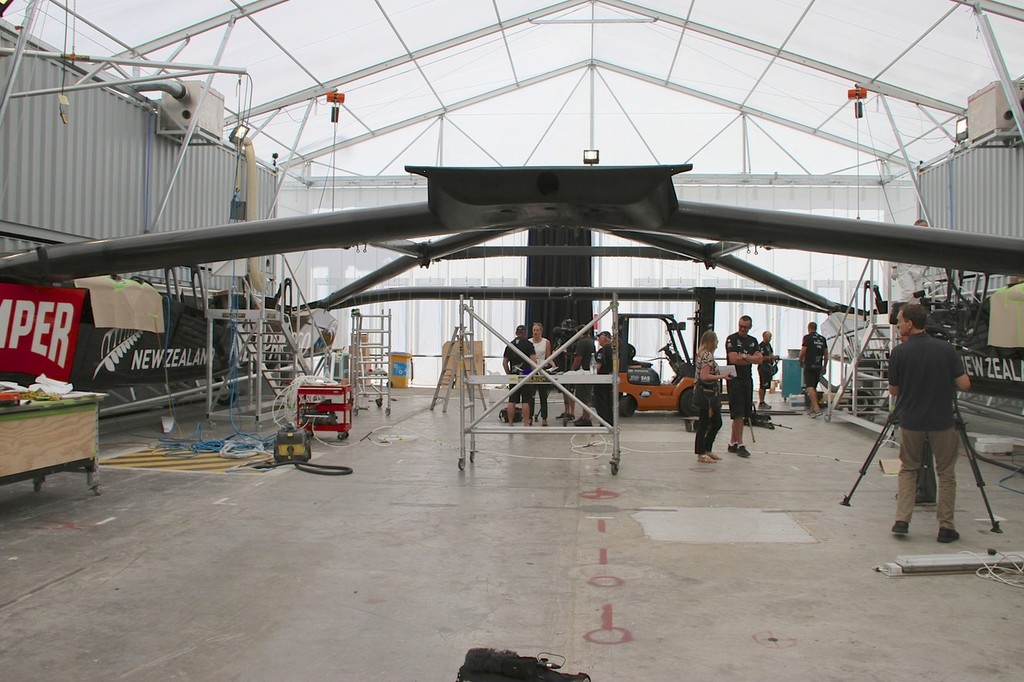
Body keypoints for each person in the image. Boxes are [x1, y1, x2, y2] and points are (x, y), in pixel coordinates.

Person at [888, 303, 971, 543]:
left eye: (901, 321)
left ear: (910, 324)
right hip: (942, 420)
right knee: (946, 473)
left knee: (908, 469)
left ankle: (902, 520)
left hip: (911, 420)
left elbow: (894, 391)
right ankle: (946, 526)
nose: (898, 325)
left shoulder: (899, 353)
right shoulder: (946, 350)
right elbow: (965, 384)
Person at [724, 315, 762, 458]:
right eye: (740, 326)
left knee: (744, 412)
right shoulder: (732, 339)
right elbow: (733, 359)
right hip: (734, 378)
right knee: (738, 412)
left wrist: (745, 357)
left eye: (745, 327)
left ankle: (732, 442)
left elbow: (760, 359)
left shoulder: (753, 341)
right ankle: (740, 443)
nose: (742, 329)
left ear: (750, 327)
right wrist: (750, 358)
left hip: (747, 379)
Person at [693, 330, 732, 464]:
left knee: (715, 422)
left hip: (707, 393)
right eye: (716, 340)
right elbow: (705, 376)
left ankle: (707, 449)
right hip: (707, 394)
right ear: (711, 341)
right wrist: (722, 377)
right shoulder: (707, 355)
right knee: (705, 423)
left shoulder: (701, 354)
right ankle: (701, 452)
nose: (718, 343)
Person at [889, 219, 931, 322]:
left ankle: (912, 313)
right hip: (906, 267)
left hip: (918, 269)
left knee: (917, 293)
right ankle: (896, 310)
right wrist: (894, 268)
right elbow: (895, 251)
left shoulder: (928, 241)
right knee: (909, 290)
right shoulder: (907, 238)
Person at [502, 324, 536, 426]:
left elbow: (504, 363)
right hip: (526, 373)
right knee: (526, 400)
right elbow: (533, 361)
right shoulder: (529, 344)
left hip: (513, 374)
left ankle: (511, 422)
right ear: (525, 333)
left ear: (516, 333)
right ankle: (526, 423)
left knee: (512, 400)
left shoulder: (510, 345)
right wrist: (532, 372)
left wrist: (509, 373)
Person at [799, 321, 828, 417]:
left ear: (809, 328)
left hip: (809, 366)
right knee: (814, 387)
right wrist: (825, 366)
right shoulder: (822, 339)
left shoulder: (807, 338)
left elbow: (803, 352)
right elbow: (826, 354)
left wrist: (800, 360)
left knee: (810, 387)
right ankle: (812, 410)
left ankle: (816, 408)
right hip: (818, 366)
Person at [568, 329, 595, 425]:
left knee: (583, 396)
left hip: (583, 373)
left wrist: (572, 370)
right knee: (586, 395)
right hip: (590, 372)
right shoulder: (591, 341)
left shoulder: (582, 342)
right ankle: (585, 416)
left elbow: (578, 358)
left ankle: (586, 418)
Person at [528, 322, 553, 426]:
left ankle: (544, 418)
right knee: (531, 395)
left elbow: (548, 357)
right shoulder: (528, 342)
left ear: (541, 331)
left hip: (542, 369)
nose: (535, 332)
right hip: (530, 370)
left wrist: (553, 366)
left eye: (537, 330)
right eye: (534, 330)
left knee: (543, 395)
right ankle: (530, 417)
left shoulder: (546, 342)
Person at [591, 330, 615, 426]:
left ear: (604, 338)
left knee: (601, 401)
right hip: (611, 378)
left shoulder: (603, 351)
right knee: (609, 400)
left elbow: (598, 366)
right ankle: (610, 421)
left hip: (601, 379)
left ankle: (604, 421)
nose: (598, 340)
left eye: (599, 338)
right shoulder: (614, 350)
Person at [756, 330, 779, 410]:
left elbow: (771, 354)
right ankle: (761, 402)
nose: (770, 338)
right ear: (764, 336)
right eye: (769, 336)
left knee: (766, 385)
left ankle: (763, 401)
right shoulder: (761, 346)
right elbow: (761, 357)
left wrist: (774, 358)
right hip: (763, 367)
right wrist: (772, 357)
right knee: (763, 384)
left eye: (771, 337)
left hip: (768, 366)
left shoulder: (768, 345)